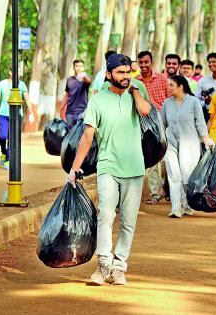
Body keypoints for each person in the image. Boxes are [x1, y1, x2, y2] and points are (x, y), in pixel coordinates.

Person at [66, 54, 151, 286]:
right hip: (108, 166)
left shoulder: (137, 92)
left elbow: (145, 111)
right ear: (108, 75)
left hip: (134, 167)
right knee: (106, 215)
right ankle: (103, 264)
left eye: (128, 72)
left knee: (129, 221)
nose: (125, 76)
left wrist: (134, 90)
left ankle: (119, 267)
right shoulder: (98, 100)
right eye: (121, 72)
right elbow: (87, 136)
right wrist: (74, 169)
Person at [161, 75, 215, 218]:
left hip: (189, 144)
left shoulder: (193, 102)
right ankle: (175, 208)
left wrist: (205, 138)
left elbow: (200, 122)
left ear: (181, 86)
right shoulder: (167, 103)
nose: (169, 87)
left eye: (171, 85)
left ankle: (186, 205)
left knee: (187, 176)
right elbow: (162, 124)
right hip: (170, 143)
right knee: (174, 174)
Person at [136, 50, 170, 205]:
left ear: (152, 62)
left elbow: (169, 101)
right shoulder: (135, 81)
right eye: (140, 62)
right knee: (146, 159)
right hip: (141, 126)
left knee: (160, 160)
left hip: (160, 125)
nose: (143, 65)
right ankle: (150, 192)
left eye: (146, 62)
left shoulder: (163, 79)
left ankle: (161, 191)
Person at [0, 70, 33, 170]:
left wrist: (31, 113)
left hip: (16, 115)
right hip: (3, 114)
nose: (17, 73)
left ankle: (8, 160)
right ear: (10, 72)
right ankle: (3, 152)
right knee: (2, 136)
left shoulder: (21, 85)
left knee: (12, 138)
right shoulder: (1, 84)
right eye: (15, 71)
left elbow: (27, 99)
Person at [58, 59, 92, 129]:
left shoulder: (85, 79)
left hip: (82, 112)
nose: (79, 68)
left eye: (81, 66)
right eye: (77, 66)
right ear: (74, 67)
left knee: (80, 134)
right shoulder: (69, 80)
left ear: (83, 68)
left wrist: (83, 76)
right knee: (70, 134)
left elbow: (89, 81)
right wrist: (60, 109)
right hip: (70, 113)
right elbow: (67, 95)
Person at [194, 53, 216, 120]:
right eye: (209, 62)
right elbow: (195, 100)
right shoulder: (203, 81)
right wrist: (205, 102)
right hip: (206, 116)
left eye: (214, 62)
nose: (211, 64)